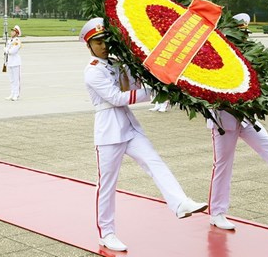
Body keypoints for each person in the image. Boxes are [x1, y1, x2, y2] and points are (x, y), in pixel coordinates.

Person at [81, 17, 207, 252]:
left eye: (106, 40)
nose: (103, 46)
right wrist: (154, 92)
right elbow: (118, 97)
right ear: (89, 45)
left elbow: (135, 81)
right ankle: (106, 233)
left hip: (128, 126)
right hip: (109, 131)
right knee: (107, 185)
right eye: (97, 42)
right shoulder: (92, 72)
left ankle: (179, 202)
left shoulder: (117, 63)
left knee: (154, 161)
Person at [207, 13, 268, 230]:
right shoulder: (218, 54)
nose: (245, 36)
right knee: (223, 166)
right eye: (242, 32)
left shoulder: (249, 54)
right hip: (224, 119)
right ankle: (217, 213)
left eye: (246, 32)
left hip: (247, 117)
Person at [4, 24, 22, 101]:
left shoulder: (17, 41)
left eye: (13, 31)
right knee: (11, 79)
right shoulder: (9, 40)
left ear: (17, 33)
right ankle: (12, 93)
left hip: (15, 62)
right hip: (9, 62)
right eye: (11, 31)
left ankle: (16, 94)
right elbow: (7, 51)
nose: (11, 32)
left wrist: (6, 50)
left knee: (16, 79)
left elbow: (12, 51)